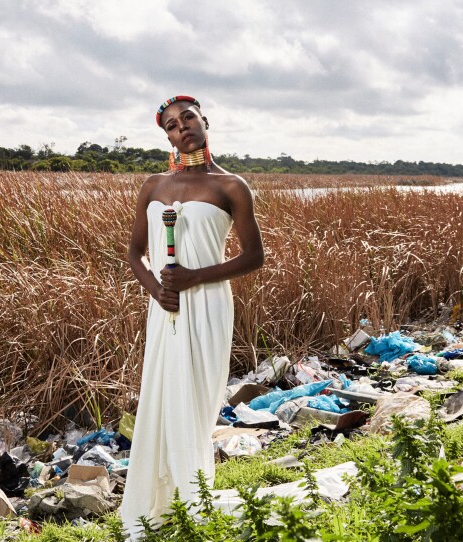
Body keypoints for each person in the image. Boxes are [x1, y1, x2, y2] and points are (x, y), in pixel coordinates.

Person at [119, 96, 264, 538]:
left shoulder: (231, 186)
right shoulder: (153, 184)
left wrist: (193, 277)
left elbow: (254, 257)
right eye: (170, 125)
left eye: (188, 118)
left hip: (207, 303)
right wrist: (158, 291)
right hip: (164, 307)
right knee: (163, 396)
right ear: (166, 136)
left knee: (197, 401)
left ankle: (193, 500)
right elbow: (134, 253)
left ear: (204, 122)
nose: (180, 128)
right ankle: (155, 503)